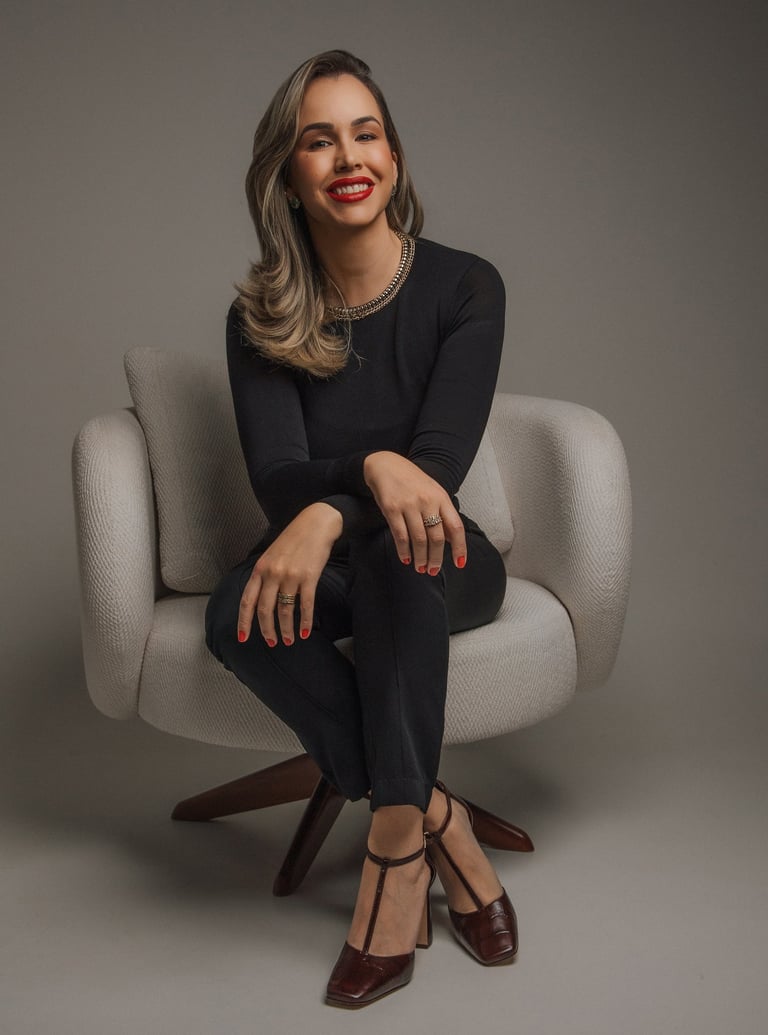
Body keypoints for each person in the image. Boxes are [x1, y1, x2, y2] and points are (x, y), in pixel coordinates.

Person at [205, 49, 517, 1008]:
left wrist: (350, 492)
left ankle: (390, 859)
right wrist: (360, 478)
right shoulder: (260, 312)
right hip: (347, 548)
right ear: (288, 177)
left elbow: (437, 473)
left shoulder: (467, 287)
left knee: (399, 569)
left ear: (394, 156)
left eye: (367, 131)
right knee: (234, 616)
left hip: (440, 552)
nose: (349, 156)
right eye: (319, 139)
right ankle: (435, 815)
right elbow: (276, 476)